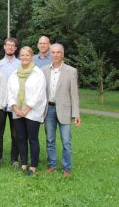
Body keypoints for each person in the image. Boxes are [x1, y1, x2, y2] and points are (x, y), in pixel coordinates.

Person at [42, 43, 81, 177]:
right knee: (50, 140)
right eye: (53, 52)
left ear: (62, 54)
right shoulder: (44, 70)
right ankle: (52, 165)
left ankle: (66, 168)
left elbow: (74, 94)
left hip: (65, 110)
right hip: (49, 110)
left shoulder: (71, 71)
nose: (56, 55)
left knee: (66, 141)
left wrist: (76, 114)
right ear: (50, 54)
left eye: (58, 52)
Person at [7, 46, 47, 174]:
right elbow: (9, 92)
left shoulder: (38, 73)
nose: (24, 57)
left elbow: (39, 94)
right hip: (17, 111)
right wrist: (15, 107)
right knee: (21, 138)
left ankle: (33, 165)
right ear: (19, 57)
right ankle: (23, 163)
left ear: (32, 56)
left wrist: (27, 108)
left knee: (33, 139)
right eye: (22, 55)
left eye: (27, 55)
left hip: (32, 112)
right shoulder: (14, 74)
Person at [0, 37, 21, 166]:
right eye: (8, 45)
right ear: (4, 47)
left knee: (15, 133)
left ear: (16, 48)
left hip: (15, 104)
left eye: (13, 45)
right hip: (0, 103)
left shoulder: (20, 64)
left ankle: (14, 159)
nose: (10, 47)